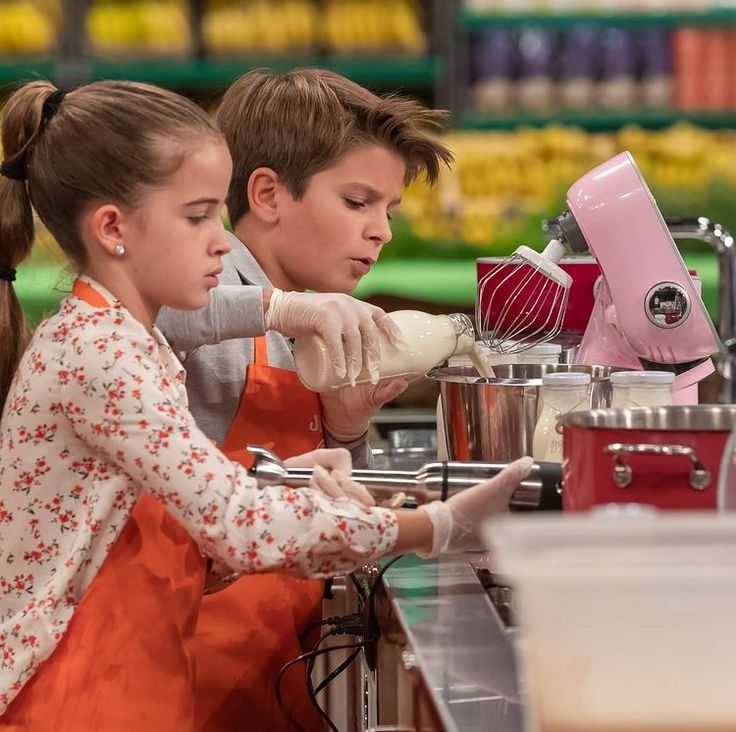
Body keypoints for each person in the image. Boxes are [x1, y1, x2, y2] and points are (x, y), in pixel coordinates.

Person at [0, 79, 532, 730]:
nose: (220, 243)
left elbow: (190, 529)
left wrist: (329, 460)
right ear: (112, 228)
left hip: (166, 677)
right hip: (94, 693)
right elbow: (238, 520)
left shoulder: (123, 342)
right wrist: (435, 527)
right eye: (198, 217)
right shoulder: (111, 347)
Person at [156, 67, 455, 731]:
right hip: (184, 667)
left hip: (271, 661)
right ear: (266, 193)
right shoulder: (214, 282)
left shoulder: (312, 324)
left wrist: (346, 431)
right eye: (358, 202)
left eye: (389, 210)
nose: (381, 230)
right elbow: (157, 311)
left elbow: (310, 492)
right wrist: (282, 306)